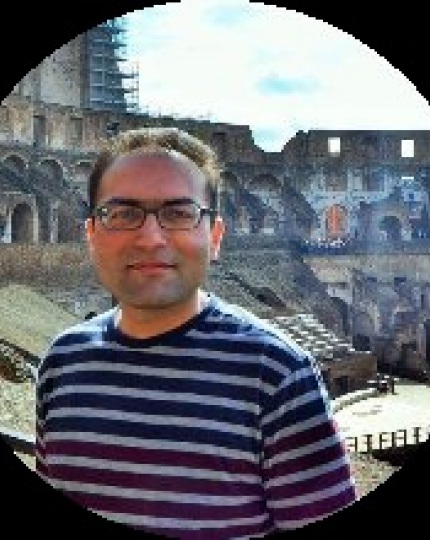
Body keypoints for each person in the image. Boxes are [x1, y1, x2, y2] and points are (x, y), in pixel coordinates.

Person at [36, 126, 358, 539]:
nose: (150, 238)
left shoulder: (278, 373)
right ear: (92, 235)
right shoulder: (61, 363)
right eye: (123, 213)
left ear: (216, 237)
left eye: (179, 213)